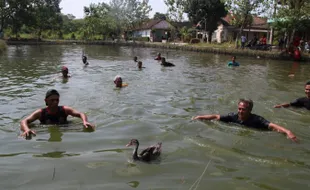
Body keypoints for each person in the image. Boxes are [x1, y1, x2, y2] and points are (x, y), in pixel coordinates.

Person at [192, 99, 297, 142]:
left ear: (250, 110)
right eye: (239, 108)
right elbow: (215, 117)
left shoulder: (257, 120)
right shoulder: (233, 116)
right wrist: (199, 117)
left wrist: (288, 132)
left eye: (243, 109)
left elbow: (273, 126)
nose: (240, 111)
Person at [20, 89, 95, 139]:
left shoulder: (65, 110)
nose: (55, 102)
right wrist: (27, 129)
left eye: (57, 100)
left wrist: (85, 121)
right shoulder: (40, 113)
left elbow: (80, 114)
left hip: (65, 126)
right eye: (52, 100)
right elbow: (24, 121)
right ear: (46, 100)